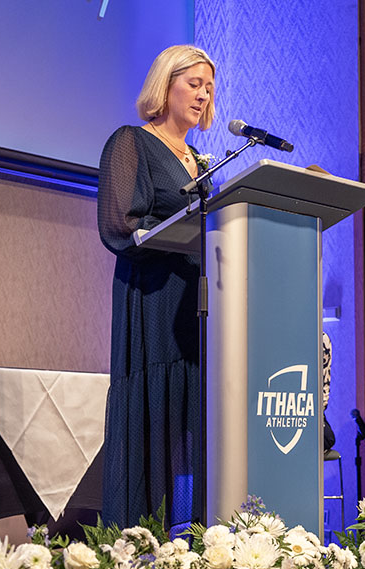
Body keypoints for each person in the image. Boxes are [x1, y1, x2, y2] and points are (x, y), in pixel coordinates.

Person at [97, 45, 215, 528]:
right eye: (194, 84)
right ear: (165, 85)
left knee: (192, 434)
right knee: (155, 427)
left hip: (197, 311)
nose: (203, 96)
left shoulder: (200, 161)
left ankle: (196, 542)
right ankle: (143, 546)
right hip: (152, 304)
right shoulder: (132, 142)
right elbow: (121, 223)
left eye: (209, 88)